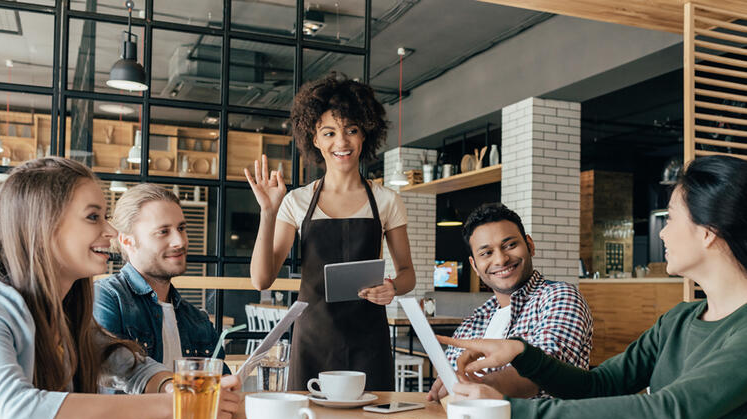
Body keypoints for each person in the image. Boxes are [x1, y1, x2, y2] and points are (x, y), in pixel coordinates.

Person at [439, 155, 747, 419]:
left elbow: (667, 411)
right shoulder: (678, 321)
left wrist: (507, 412)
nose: (662, 231)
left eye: (671, 218)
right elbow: (598, 384)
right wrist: (523, 354)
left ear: (707, 233)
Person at [0, 157, 239, 419]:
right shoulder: (1, 309)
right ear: (43, 224)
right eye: (94, 217)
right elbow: (18, 414)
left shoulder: (65, 313)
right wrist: (184, 405)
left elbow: (127, 364)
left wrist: (175, 387)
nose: (111, 232)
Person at [246, 73, 415, 391]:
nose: (342, 142)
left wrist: (392, 287)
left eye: (351, 130)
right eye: (330, 132)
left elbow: (408, 274)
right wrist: (268, 212)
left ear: (365, 134)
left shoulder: (386, 200)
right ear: (314, 139)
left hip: (369, 338)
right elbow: (261, 280)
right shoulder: (296, 201)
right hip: (313, 338)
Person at [427, 202, 592, 401]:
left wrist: (478, 388)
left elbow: (547, 371)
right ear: (475, 265)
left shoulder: (560, 297)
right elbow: (451, 379)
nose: (501, 259)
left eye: (510, 245)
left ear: (530, 245)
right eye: (486, 253)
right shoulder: (476, 319)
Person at [94, 184, 226, 370]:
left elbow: (220, 386)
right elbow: (111, 374)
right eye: (163, 232)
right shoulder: (106, 298)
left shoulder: (197, 320)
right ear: (127, 241)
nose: (180, 241)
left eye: (181, 228)